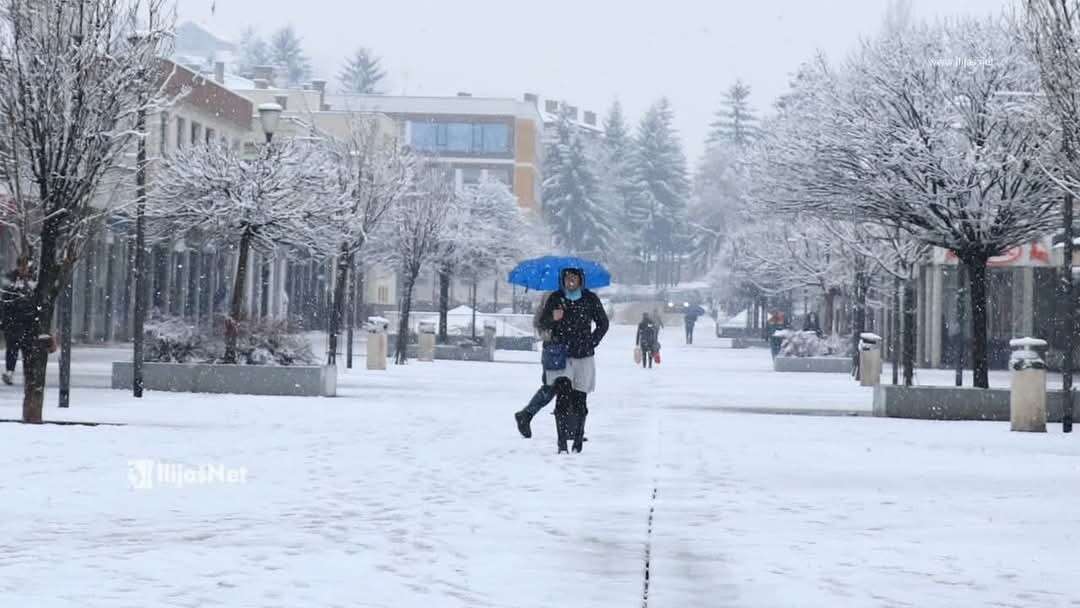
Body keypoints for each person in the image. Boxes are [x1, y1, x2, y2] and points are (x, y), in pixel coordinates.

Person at [536, 268, 608, 453]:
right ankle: (561, 443)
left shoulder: (590, 299)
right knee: (562, 397)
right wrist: (553, 317)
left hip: (583, 355)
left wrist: (592, 341)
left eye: (574, 278)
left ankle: (578, 440)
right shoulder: (556, 298)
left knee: (579, 399)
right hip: (562, 355)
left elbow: (603, 323)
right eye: (567, 278)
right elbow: (542, 322)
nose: (570, 281)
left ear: (580, 280)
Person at [514, 292, 556, 439]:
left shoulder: (556, 294)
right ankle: (526, 414)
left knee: (561, 387)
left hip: (559, 348)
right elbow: (539, 322)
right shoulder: (553, 295)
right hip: (555, 349)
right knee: (552, 386)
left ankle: (571, 427)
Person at [1, 256, 37, 385]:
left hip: (28, 321)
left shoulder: (34, 279)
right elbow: (5, 299)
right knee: (12, 348)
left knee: (28, 350)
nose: (24, 269)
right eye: (22, 266)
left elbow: (36, 299)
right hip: (13, 320)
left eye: (26, 266)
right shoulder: (10, 278)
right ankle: (10, 372)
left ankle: (28, 375)